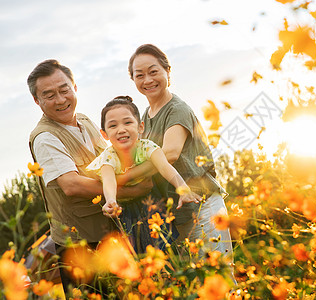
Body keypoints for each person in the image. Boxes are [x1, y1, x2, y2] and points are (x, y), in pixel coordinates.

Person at [27, 59, 153, 295]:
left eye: (64, 90)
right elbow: (71, 185)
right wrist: (131, 192)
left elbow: (109, 160)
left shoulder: (84, 120)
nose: (61, 99)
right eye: (49, 95)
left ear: (75, 87)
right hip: (80, 245)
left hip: (111, 233)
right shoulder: (44, 137)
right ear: (37, 100)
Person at [127, 44, 236, 282]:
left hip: (203, 204)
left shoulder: (177, 109)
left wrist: (127, 177)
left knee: (218, 280)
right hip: (180, 212)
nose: (148, 79)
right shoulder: (145, 116)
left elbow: (170, 153)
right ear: (133, 79)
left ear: (167, 71)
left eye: (153, 71)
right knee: (197, 284)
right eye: (139, 75)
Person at [86, 96, 202, 252]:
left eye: (127, 123)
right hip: (124, 206)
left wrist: (183, 188)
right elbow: (109, 180)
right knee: (135, 251)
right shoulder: (108, 157)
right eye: (113, 126)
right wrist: (111, 201)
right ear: (104, 134)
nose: (121, 129)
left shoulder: (147, 147)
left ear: (140, 127)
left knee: (164, 246)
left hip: (150, 200)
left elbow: (165, 167)